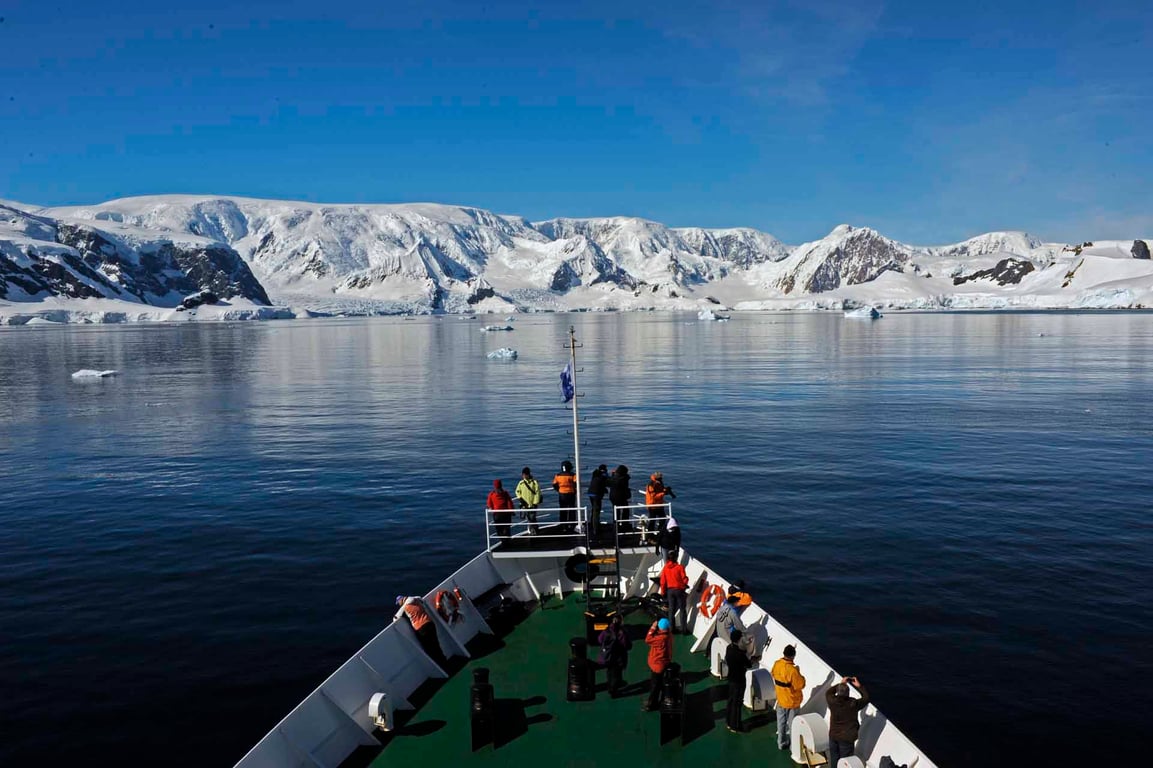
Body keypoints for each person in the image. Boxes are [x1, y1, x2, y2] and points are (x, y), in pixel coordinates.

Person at [826, 676, 870, 765]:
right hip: (847, 738)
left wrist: (841, 683)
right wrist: (859, 686)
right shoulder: (853, 704)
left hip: (833, 735)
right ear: (848, 693)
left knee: (834, 759)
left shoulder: (832, 701)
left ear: (837, 692)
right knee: (845, 762)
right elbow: (866, 698)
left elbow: (828, 693)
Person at [771, 644, 807, 752]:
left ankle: (781, 743)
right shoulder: (793, 671)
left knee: (781, 723)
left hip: (781, 700)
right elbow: (800, 685)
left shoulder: (777, 664)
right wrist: (799, 672)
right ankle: (793, 747)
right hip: (792, 703)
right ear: (793, 656)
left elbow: (773, 673)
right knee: (793, 725)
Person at [395, 595, 446, 667]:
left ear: (401, 600)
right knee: (436, 643)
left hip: (421, 629)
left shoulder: (405, 607)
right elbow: (419, 597)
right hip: (430, 623)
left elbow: (396, 618)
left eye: (398, 603)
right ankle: (444, 661)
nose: (399, 605)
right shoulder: (416, 599)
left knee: (429, 648)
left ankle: (439, 665)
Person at [597, 614, 632, 697]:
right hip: (618, 657)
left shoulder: (607, 631)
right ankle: (613, 691)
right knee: (616, 673)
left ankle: (610, 686)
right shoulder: (622, 633)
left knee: (609, 672)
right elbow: (627, 645)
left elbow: (599, 639)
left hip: (608, 656)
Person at [642, 617, 673, 712]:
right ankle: (662, 698)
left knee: (655, 686)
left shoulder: (660, 639)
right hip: (664, 663)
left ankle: (651, 704)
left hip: (657, 665)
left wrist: (652, 627)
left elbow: (648, 639)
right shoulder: (669, 635)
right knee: (659, 683)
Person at [725, 629, 752, 733]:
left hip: (731, 678)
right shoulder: (739, 654)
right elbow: (748, 664)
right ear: (739, 639)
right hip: (739, 680)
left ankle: (728, 722)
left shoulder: (729, 649)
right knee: (737, 704)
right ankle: (735, 725)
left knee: (731, 701)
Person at [658, 552, 689, 633]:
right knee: (682, 610)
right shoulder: (680, 567)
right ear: (676, 558)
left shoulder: (665, 568)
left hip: (670, 591)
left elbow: (663, 582)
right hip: (679, 591)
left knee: (671, 610)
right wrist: (685, 584)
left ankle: (672, 629)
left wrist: (663, 592)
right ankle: (684, 629)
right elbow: (684, 579)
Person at [515, 466, 542, 535]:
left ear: (528, 474)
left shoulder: (534, 483)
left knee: (532, 518)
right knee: (529, 518)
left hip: (532, 505)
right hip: (525, 505)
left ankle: (533, 531)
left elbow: (537, 493)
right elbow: (517, 491)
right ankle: (533, 529)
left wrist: (535, 503)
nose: (523, 476)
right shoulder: (521, 483)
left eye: (525, 474)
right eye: (523, 474)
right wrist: (521, 499)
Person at [552, 460, 578, 532]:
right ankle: (571, 524)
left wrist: (559, 489)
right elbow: (576, 483)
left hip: (562, 494)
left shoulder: (558, 475)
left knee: (563, 510)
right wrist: (574, 490)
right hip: (571, 494)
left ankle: (563, 525)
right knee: (572, 510)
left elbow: (554, 484)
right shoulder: (573, 475)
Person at [608, 465, 632, 532]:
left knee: (616, 512)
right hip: (621, 497)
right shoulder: (622, 479)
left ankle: (616, 525)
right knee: (625, 510)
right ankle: (624, 524)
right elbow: (624, 486)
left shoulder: (613, 477)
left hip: (613, 496)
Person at [587, 464, 608, 538]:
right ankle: (596, 529)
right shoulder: (603, 475)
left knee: (594, 510)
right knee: (596, 511)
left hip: (591, 493)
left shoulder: (595, 474)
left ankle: (592, 526)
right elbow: (607, 482)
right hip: (597, 494)